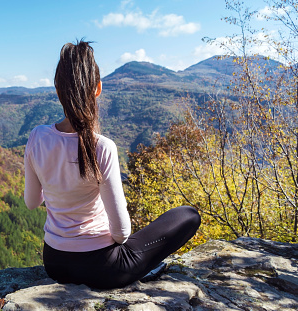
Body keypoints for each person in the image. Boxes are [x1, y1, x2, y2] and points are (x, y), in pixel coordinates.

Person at [23, 40, 201, 289]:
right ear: (97, 88)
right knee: (188, 215)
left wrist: (57, 180)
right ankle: (145, 270)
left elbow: (32, 202)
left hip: (54, 262)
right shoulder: (102, 146)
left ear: (57, 90)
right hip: (102, 268)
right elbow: (121, 233)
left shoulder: (36, 137)